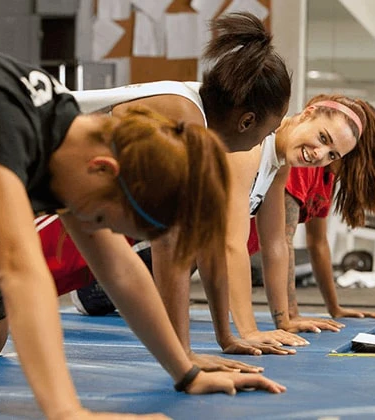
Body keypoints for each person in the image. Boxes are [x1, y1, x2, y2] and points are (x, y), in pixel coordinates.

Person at [0, 45, 286, 420]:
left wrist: (186, 373)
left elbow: (119, 268)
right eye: (103, 220)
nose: (94, 230)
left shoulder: (69, 144)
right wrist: (68, 412)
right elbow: (19, 271)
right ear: (103, 169)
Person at [58, 12, 298, 371]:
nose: (265, 140)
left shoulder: (201, 129)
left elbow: (210, 245)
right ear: (246, 121)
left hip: (63, 199)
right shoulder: (181, 115)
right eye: (268, 131)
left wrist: (226, 337)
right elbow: (170, 244)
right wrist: (183, 356)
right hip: (21, 171)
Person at [227, 94, 375, 338]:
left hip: (212, 245)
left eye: (335, 152)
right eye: (324, 138)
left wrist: (333, 308)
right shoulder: (294, 160)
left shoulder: (319, 170)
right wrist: (286, 316)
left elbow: (315, 242)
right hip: (212, 244)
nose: (321, 153)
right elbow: (278, 238)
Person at [281, 165, 375, 325]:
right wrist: (290, 315)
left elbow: (318, 242)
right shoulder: (302, 167)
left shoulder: (327, 175)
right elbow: (281, 240)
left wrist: (334, 308)